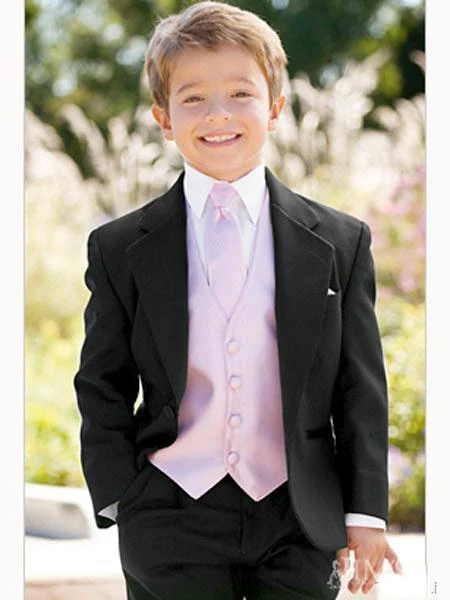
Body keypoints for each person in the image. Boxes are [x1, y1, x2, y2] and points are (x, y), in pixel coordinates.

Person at [74, 2, 402, 598]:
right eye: (194, 98)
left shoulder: (340, 241)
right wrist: (123, 498)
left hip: (299, 515)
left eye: (241, 93)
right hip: (169, 513)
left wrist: (365, 513)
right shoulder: (119, 247)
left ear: (274, 107)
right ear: (163, 118)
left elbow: (360, 386)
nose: (218, 114)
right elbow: (102, 382)